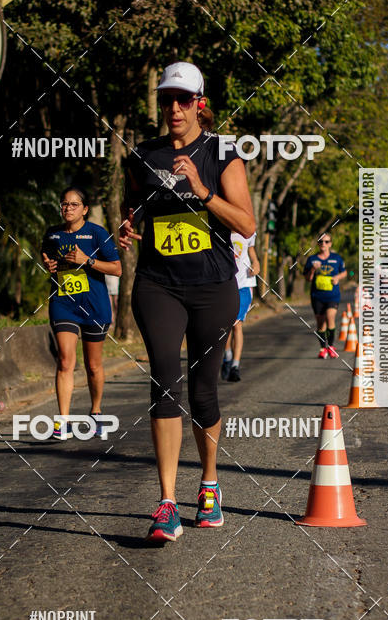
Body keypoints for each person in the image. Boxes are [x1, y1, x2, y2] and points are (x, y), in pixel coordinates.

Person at [119, 61, 255, 542]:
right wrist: (128, 225)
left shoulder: (223, 153)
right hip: (158, 283)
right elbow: (133, 205)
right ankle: (166, 503)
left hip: (212, 286)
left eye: (182, 99)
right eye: (166, 100)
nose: (173, 108)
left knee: (203, 391)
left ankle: (210, 483)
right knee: (163, 381)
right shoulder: (143, 155)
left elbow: (246, 223)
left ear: (200, 103)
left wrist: (203, 192)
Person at [42, 188, 122, 438]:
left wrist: (87, 260)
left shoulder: (98, 234)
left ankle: (96, 410)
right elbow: (48, 260)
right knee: (65, 359)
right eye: (64, 204)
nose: (68, 209)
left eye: (74, 205)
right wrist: (49, 266)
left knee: (93, 366)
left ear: (85, 209)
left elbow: (117, 269)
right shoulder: (52, 234)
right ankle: (63, 421)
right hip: (64, 301)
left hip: (94, 305)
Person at [221, 231, 260, 381]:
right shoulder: (220, 229)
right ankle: (227, 355)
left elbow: (252, 252)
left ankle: (235, 366)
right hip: (225, 284)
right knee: (226, 324)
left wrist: (256, 264)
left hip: (244, 284)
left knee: (236, 324)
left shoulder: (247, 231)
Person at [303, 233, 347, 358]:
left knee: (330, 317)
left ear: (330, 244)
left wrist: (337, 277)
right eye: (321, 242)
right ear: (318, 244)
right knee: (320, 323)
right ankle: (323, 348)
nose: (324, 244)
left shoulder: (336, 258)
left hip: (333, 295)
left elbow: (344, 273)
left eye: (326, 242)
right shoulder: (312, 259)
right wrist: (312, 269)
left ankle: (331, 347)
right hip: (317, 296)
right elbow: (307, 278)